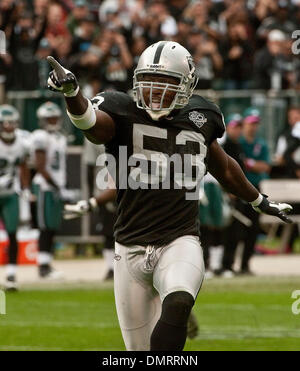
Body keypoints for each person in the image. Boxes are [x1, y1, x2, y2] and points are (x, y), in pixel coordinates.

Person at [47, 41, 292, 351]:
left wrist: (258, 200)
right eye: (149, 82)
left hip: (179, 239)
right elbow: (91, 125)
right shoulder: (121, 109)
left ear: (187, 85)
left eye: (166, 83)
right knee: (139, 351)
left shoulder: (201, 117)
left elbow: (224, 168)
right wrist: (72, 94)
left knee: (178, 301)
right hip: (130, 246)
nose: (155, 92)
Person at [31, 101, 67, 279]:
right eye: (49, 118)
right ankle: (43, 267)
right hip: (45, 187)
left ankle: (47, 264)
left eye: (54, 117)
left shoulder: (60, 137)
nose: (53, 120)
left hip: (54, 187)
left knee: (52, 227)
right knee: (45, 227)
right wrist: (56, 186)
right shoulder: (40, 136)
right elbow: (40, 166)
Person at [0, 104, 31, 291]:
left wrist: (25, 187)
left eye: (12, 123)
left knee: (13, 233)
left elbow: (23, 165)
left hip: (10, 194)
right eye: (6, 123)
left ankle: (11, 275)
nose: (10, 127)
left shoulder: (22, 141)